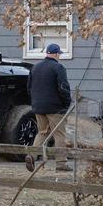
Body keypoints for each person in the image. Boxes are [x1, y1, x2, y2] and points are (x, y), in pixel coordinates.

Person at [26, 43, 73, 172]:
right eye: (59, 54)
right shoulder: (58, 68)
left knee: (42, 132)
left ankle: (31, 155)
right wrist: (66, 104)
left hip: (38, 107)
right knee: (59, 135)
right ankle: (61, 163)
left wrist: (35, 102)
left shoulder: (35, 67)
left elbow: (29, 88)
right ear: (57, 54)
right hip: (55, 108)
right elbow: (63, 88)